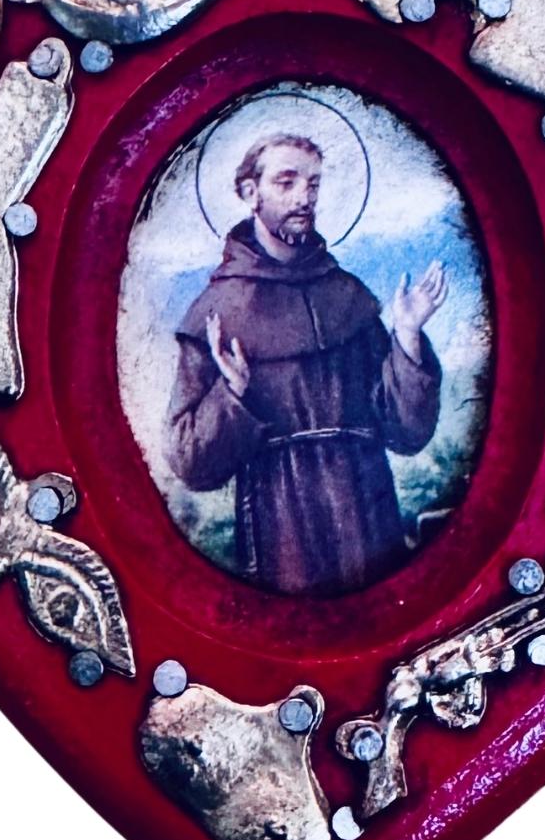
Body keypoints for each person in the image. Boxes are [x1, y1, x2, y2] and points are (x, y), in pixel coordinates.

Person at [164, 132, 448, 596]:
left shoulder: (347, 295)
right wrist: (230, 395)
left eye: (313, 184)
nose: (304, 198)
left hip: (367, 510)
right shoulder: (217, 310)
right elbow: (190, 463)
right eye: (287, 182)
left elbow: (406, 432)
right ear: (250, 193)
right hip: (282, 520)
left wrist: (408, 335)